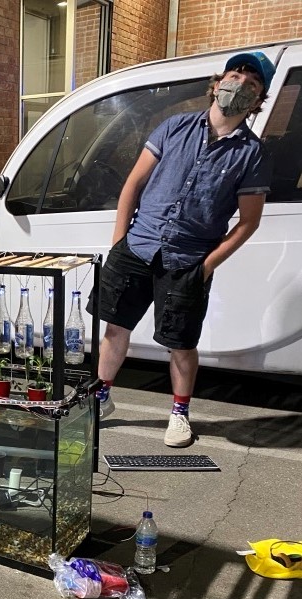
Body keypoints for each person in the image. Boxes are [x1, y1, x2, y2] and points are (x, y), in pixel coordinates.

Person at [89, 50, 275, 448]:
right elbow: (133, 186)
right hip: (137, 247)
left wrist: (205, 267)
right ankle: (101, 397)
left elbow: (248, 221)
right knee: (115, 328)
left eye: (252, 82)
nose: (240, 84)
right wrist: (120, 240)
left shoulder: (251, 154)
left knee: (181, 342)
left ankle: (179, 413)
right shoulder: (174, 127)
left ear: (259, 100)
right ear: (217, 83)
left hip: (188, 261)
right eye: (235, 74)